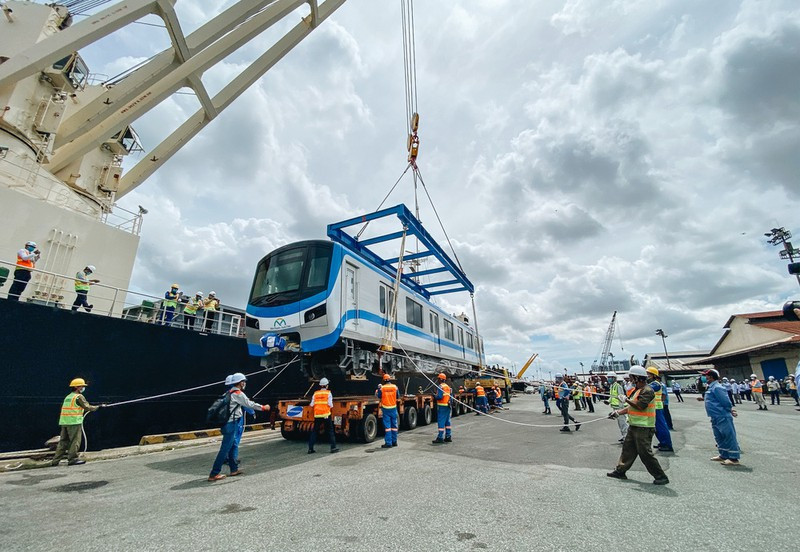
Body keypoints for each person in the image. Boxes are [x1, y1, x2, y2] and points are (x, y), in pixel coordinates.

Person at [607, 366, 669, 485]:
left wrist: (626, 400)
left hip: (644, 427)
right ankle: (620, 471)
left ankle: (661, 476)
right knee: (628, 450)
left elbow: (640, 405)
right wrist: (618, 412)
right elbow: (631, 407)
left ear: (637, 377)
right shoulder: (637, 390)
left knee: (645, 453)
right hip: (634, 425)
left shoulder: (648, 390)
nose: (630, 379)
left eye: (631, 377)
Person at [208, 373, 269, 481]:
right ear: (241, 383)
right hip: (231, 424)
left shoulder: (229, 392)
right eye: (244, 381)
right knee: (225, 448)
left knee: (233, 445)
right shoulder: (238, 393)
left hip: (230, 423)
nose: (244, 383)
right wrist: (264, 407)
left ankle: (234, 469)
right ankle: (214, 473)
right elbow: (249, 404)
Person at [51, 378, 102, 466]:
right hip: (74, 422)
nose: (83, 388)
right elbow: (87, 407)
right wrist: (99, 407)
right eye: (82, 386)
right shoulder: (78, 397)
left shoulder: (68, 396)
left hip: (65, 421)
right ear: (77, 387)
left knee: (63, 441)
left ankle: (55, 461)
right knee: (75, 441)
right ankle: (72, 459)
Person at [696, 369, 741, 466]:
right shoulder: (710, 387)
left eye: (705, 376)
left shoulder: (717, 387)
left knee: (728, 436)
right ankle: (723, 454)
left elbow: (725, 401)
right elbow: (714, 399)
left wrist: (730, 410)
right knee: (719, 436)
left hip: (722, 415)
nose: (703, 378)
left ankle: (733, 458)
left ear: (711, 377)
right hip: (714, 415)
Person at [308, 378, 340, 454]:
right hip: (326, 415)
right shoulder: (328, 393)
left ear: (320, 386)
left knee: (315, 431)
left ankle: (310, 449)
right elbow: (330, 404)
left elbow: (312, 404)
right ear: (326, 386)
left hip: (317, 415)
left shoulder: (315, 393)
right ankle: (333, 447)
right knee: (330, 431)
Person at [646, 367, 673, 452]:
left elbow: (647, 389)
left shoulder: (656, 384)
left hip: (657, 408)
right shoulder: (653, 383)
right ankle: (662, 442)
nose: (647, 376)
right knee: (657, 428)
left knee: (661, 427)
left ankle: (667, 444)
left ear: (654, 375)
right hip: (654, 408)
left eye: (649, 374)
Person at [376, 374, 399, 449]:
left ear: (383, 380)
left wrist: (378, 389)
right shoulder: (395, 387)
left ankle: (388, 443)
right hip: (393, 408)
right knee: (394, 426)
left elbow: (379, 396)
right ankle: (394, 442)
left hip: (386, 409)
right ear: (390, 379)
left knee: (387, 427)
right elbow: (398, 396)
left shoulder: (382, 388)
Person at [605, 372, 628, 442]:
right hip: (615, 407)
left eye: (610, 377)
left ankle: (626, 437)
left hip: (619, 407)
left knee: (622, 422)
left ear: (614, 378)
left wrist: (621, 409)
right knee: (619, 423)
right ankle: (623, 435)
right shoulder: (612, 386)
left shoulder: (618, 386)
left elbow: (621, 397)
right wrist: (608, 401)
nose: (608, 379)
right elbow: (612, 396)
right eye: (608, 377)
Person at [432, 373, 452, 444]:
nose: (437, 380)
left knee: (441, 422)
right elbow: (450, 397)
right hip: (448, 406)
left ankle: (440, 437)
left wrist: (434, 396)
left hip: (442, 407)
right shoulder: (448, 387)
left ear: (441, 379)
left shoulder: (440, 386)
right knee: (447, 422)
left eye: (438, 378)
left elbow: (439, 397)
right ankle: (448, 436)